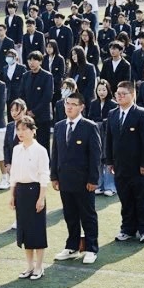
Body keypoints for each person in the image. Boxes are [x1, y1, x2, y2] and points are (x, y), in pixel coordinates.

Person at [51, 91, 101, 265]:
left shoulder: (89, 127)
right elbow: (55, 153)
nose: (69, 107)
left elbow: (95, 156)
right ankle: (72, 247)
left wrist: (93, 180)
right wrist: (54, 176)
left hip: (84, 181)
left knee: (87, 215)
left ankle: (91, 248)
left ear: (81, 107)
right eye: (67, 103)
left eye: (73, 104)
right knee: (70, 214)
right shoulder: (59, 126)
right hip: (65, 179)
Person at [105, 81, 144, 243]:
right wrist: (109, 161)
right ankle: (127, 229)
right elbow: (109, 139)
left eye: (123, 94)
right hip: (120, 166)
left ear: (132, 94)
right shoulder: (112, 114)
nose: (119, 96)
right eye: (117, 94)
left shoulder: (141, 114)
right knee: (125, 199)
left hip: (139, 167)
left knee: (143, 199)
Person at [9, 115, 51, 278]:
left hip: (35, 191)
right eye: (18, 129)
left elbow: (44, 175)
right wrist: (12, 195)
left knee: (37, 230)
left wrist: (41, 198)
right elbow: (13, 174)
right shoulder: (16, 149)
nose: (20, 132)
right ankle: (29, 266)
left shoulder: (40, 150)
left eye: (24, 129)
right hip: (20, 191)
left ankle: (39, 267)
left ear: (33, 131)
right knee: (24, 230)